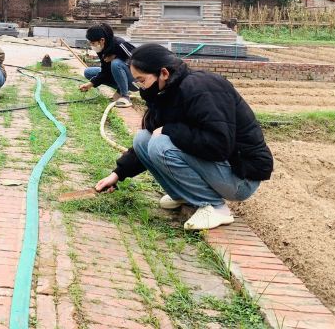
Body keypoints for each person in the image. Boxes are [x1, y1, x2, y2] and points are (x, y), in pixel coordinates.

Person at [94, 43, 274, 231]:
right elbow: (150, 137)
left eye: (142, 80)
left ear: (163, 73)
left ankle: (216, 207)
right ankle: (183, 194)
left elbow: (220, 145)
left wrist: (170, 130)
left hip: (241, 177)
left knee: (160, 143)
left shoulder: (203, 89)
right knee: (143, 139)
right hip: (221, 169)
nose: (140, 87)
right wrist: (118, 174)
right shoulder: (167, 93)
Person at [78, 22, 137, 108]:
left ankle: (125, 96)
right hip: (121, 76)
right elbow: (105, 72)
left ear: (102, 40)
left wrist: (117, 57)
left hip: (135, 80)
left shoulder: (119, 44)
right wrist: (91, 84)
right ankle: (121, 89)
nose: (91, 46)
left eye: (93, 43)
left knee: (116, 63)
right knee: (89, 72)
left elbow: (138, 60)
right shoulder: (101, 49)